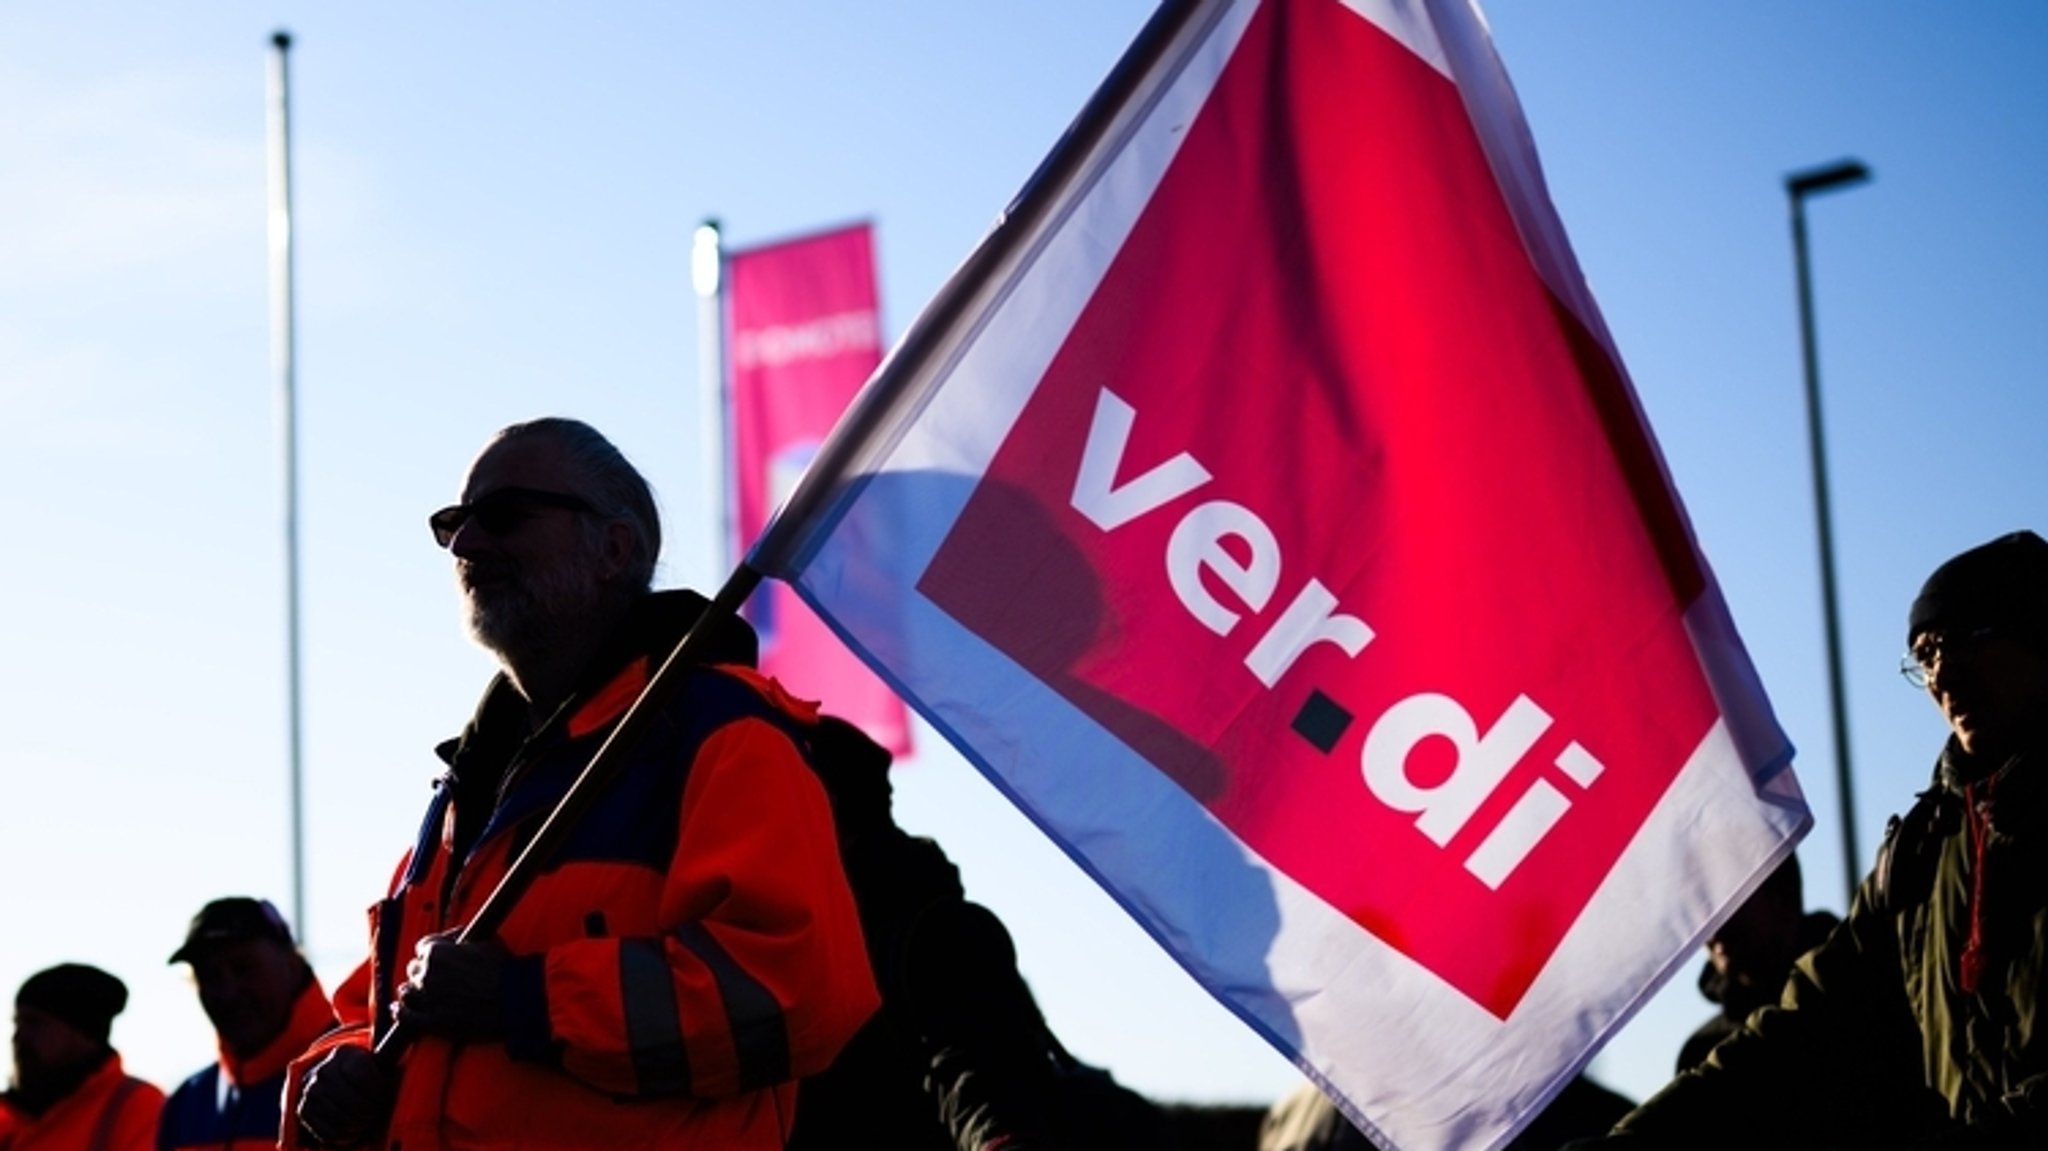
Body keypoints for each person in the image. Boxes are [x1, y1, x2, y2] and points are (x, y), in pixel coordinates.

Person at [285, 417, 878, 1150]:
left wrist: (522, 998)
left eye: (503, 515)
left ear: (615, 548)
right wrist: (337, 1068)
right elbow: (371, 1015)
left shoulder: (720, 733)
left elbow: (798, 989)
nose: (467, 544)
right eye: (453, 524)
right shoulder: (461, 790)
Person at [1579, 530, 2048, 1149]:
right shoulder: (1921, 855)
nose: (1943, 673)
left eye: (1966, 639)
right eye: (1926, 654)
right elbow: (1803, 1029)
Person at [791, 716, 1178, 1151]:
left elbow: (980, 1076)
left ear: (828, 807)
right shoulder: (787, 941)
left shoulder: (937, 936)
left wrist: (1000, 1140)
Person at [159, 897, 337, 1151]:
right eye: (209, 976)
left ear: (291, 963)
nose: (228, 992)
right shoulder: (186, 1104)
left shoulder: (352, 1076)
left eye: (243, 968)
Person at [1674, 854, 1838, 1073]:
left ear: (1782, 894)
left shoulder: (1861, 997)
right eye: (1700, 904)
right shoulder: (1700, 1054)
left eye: (1727, 897)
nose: (1711, 921)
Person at [0, 964, 162, 1151]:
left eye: (34, 1023)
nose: (18, 1037)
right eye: (17, 1023)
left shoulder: (137, 1107)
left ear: (83, 1033)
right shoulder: (9, 1117)